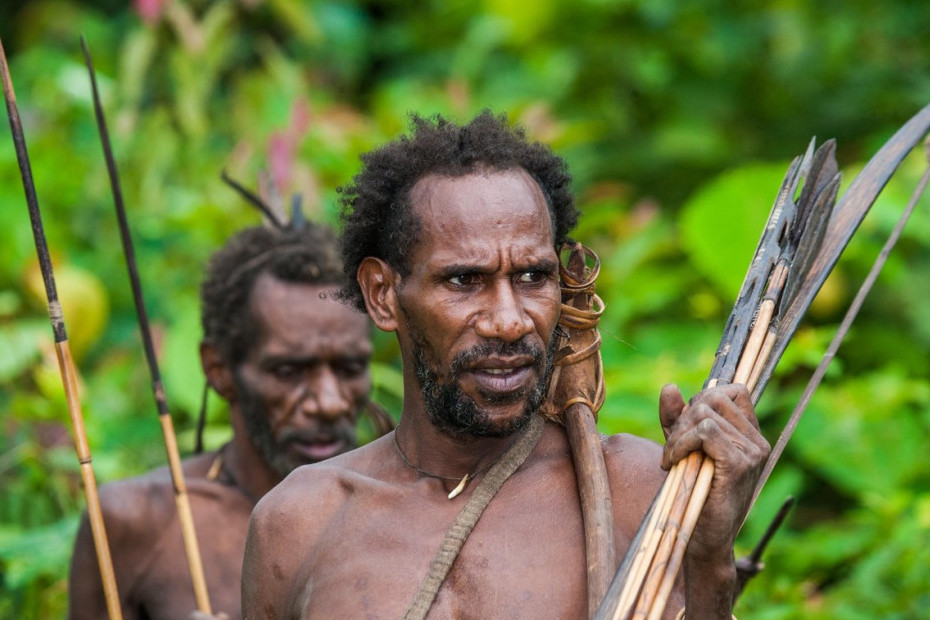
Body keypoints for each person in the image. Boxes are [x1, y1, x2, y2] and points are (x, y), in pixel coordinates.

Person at [242, 112, 770, 619]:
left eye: (532, 277)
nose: (510, 321)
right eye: (464, 281)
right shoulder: (299, 523)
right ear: (382, 294)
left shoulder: (640, 492)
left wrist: (710, 565)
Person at [69, 221, 382, 620]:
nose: (330, 403)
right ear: (218, 369)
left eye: (350, 368)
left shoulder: (405, 510)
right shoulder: (138, 522)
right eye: (289, 371)